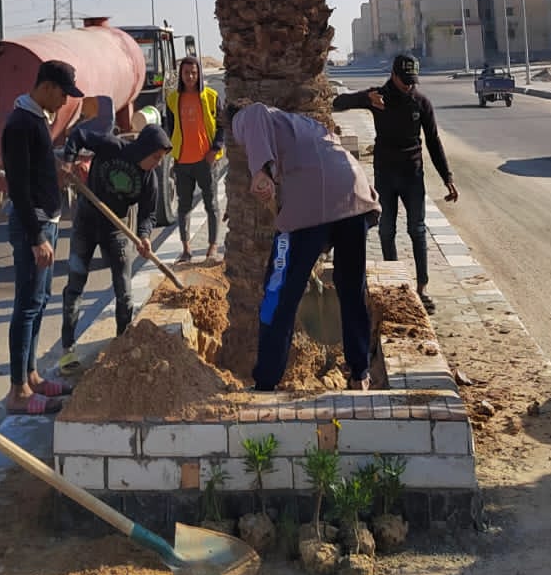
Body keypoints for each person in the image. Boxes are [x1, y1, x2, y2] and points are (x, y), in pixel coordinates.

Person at [228, 100, 380, 392]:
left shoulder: (248, 116)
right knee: (352, 288)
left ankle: (266, 381)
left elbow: (255, 112)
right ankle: (360, 374)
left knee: (278, 293)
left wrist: (260, 171)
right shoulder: (302, 125)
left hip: (314, 202)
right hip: (354, 194)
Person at [332, 52, 457, 313]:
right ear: (393, 75)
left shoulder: (421, 103)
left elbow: (433, 142)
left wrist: (447, 178)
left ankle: (422, 288)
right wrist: (364, 98)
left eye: (412, 81)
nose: (409, 86)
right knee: (386, 230)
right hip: (386, 176)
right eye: (404, 80)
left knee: (417, 230)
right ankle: (396, 286)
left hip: (413, 175)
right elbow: (338, 103)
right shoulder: (378, 97)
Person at [2, 59, 81, 414]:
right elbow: (18, 187)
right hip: (32, 227)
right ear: (47, 87)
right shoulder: (20, 124)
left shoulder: (36, 120)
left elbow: (35, 171)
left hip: (46, 222)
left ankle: (31, 376)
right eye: (63, 94)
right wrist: (36, 237)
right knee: (27, 305)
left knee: (40, 300)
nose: (65, 102)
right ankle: (17, 391)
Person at [59, 118, 171, 345]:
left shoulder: (149, 179)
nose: (157, 163)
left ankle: (122, 343)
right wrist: (68, 162)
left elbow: (148, 214)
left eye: (161, 159)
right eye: (156, 157)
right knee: (75, 287)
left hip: (116, 229)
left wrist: (144, 236)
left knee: (124, 291)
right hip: (86, 223)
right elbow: (78, 136)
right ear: (145, 149)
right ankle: (68, 347)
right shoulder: (112, 146)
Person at [164, 55, 224, 262]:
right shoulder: (173, 99)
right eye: (186, 73)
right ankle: (186, 249)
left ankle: (212, 247)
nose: (190, 77)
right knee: (184, 207)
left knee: (211, 205)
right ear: (181, 74)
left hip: (205, 161)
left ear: (199, 74)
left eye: (193, 73)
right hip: (183, 162)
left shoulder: (211, 97)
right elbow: (171, 128)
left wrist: (215, 149)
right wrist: (173, 154)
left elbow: (222, 126)